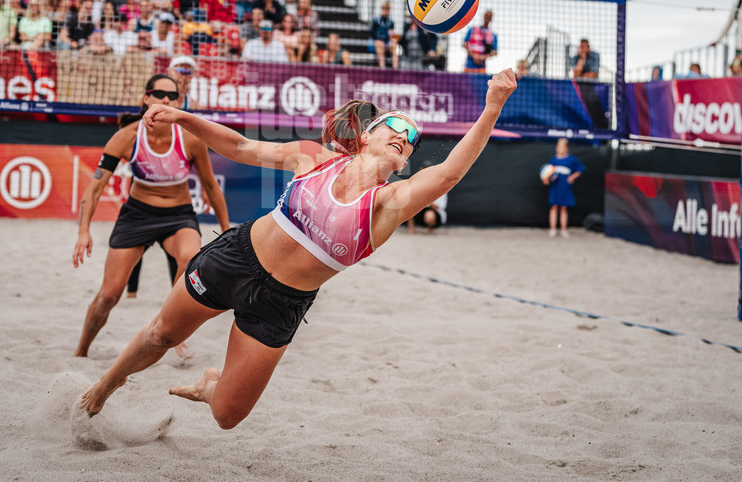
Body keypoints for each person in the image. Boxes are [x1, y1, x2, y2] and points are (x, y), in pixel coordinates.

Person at [77, 69, 519, 428]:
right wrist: (182, 117)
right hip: (238, 257)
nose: (404, 134)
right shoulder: (316, 158)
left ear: (404, 162)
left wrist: (492, 107)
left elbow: (446, 175)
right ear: (367, 136)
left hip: (282, 302)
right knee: (161, 334)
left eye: (411, 139)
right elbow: (242, 145)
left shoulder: (387, 204)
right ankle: (104, 386)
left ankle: (209, 384)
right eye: (395, 126)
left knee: (228, 415)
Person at [72, 74, 229, 358]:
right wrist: (84, 231)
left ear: (179, 104)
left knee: (190, 256)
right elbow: (95, 187)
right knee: (109, 294)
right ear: (146, 99)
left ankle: (173, 333)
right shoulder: (127, 136)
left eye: (172, 96)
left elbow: (211, 187)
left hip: (179, 215)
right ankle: (81, 351)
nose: (166, 100)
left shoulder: (191, 138)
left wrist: (227, 230)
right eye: (159, 94)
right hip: (137, 215)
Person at [543, 138, 584, 238]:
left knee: (564, 208)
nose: (560, 148)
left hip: (565, 187)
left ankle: (563, 229)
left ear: (567, 148)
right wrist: (546, 179)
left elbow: (580, 169)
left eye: (562, 146)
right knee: (554, 207)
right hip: (555, 187)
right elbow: (548, 173)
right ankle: (553, 229)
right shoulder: (553, 160)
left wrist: (572, 177)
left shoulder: (571, 160)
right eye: (558, 146)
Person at [406, 161, 447, 234]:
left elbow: (437, 207)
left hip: (433, 212)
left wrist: (425, 198)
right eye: (424, 170)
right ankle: (411, 230)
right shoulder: (415, 183)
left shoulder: (439, 185)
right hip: (421, 209)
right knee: (409, 207)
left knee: (429, 215)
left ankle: (430, 229)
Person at [369, 1, 396, 68]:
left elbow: (391, 35)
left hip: (387, 42)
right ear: (382, 9)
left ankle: (396, 69)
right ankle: (382, 68)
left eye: (387, 9)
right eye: (384, 8)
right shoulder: (375, 20)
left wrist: (392, 40)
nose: (385, 10)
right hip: (378, 42)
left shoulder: (391, 22)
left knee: (394, 45)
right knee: (380, 44)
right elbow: (372, 34)